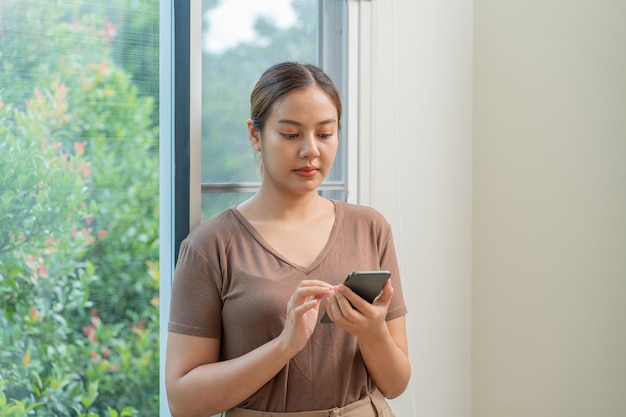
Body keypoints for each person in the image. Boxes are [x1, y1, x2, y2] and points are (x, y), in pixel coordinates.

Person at [165, 62, 410, 417]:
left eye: (325, 134)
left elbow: (396, 384)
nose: (311, 150)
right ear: (255, 134)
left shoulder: (370, 228)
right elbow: (183, 401)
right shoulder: (210, 246)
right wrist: (284, 346)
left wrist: (373, 333)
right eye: (291, 135)